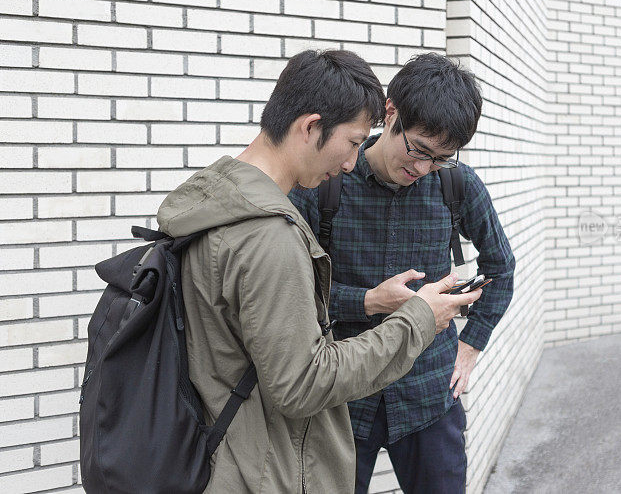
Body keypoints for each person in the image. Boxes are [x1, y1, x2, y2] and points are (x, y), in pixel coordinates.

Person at [156, 49, 482, 493]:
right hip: (258, 464)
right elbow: (303, 382)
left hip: (231, 449)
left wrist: (468, 346)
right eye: (351, 142)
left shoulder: (216, 201)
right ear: (311, 127)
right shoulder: (270, 236)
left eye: (440, 160)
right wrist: (417, 316)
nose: (350, 162)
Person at [289, 53, 515, 493]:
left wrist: (470, 346)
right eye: (418, 150)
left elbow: (501, 267)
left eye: (440, 158)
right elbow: (295, 292)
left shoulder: (458, 185)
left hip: (430, 389)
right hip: (344, 395)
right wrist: (368, 300)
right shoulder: (328, 182)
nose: (423, 168)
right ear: (390, 112)